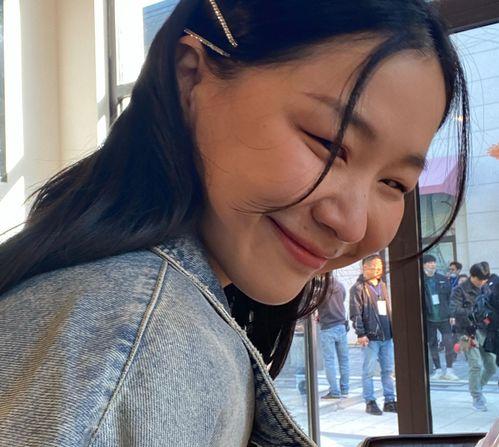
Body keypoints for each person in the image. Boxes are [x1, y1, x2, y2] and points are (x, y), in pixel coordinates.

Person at [0, 0, 471, 445]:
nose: (352, 225)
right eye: (327, 142)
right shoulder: (142, 343)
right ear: (190, 76)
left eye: (394, 183)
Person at [350, 255, 397, 416]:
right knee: (368, 371)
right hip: (370, 337)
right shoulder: (358, 288)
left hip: (387, 335)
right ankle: (370, 402)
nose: (378, 270)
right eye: (374, 267)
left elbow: (388, 308)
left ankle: (389, 400)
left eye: (380, 267)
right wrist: (361, 333)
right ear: (365, 268)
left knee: (388, 370)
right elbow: (355, 313)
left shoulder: (383, 285)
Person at [450, 262, 497, 412]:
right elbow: (453, 309)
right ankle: (476, 396)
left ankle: (478, 387)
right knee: (475, 364)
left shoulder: (486, 287)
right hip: (465, 332)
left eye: (485, 280)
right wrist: (474, 312)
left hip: (483, 330)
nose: (482, 282)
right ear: (473, 276)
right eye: (480, 279)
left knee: (491, 366)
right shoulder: (459, 290)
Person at [422, 254, 458, 380]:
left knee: (448, 343)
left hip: (444, 317)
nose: (432, 264)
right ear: (424, 265)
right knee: (432, 344)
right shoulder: (420, 280)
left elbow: (451, 298)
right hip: (429, 318)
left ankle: (449, 370)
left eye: (434, 262)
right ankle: (437, 370)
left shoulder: (442, 279)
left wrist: (452, 314)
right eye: (429, 262)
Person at [317, 276, 350, 399]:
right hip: (341, 326)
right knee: (344, 360)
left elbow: (315, 305)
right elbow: (343, 299)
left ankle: (334, 391)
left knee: (329, 361)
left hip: (327, 327)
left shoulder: (320, 289)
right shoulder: (340, 285)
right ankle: (345, 389)